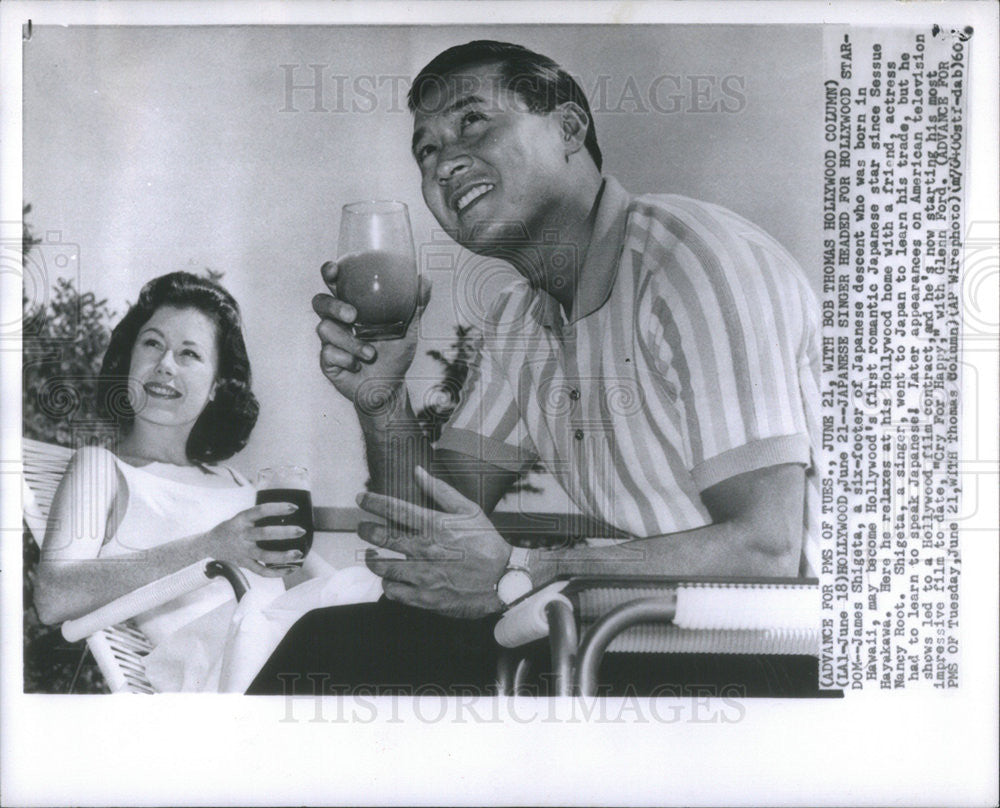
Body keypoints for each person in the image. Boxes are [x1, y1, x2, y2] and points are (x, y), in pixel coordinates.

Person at [249, 41, 820, 695]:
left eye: (473, 121)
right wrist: (381, 401)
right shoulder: (518, 319)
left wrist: (520, 569)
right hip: (620, 633)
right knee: (327, 649)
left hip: (777, 658)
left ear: (570, 129)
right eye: (427, 151)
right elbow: (428, 532)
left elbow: (765, 549)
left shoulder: (695, 263)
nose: (445, 163)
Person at [35, 272, 307, 690]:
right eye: (152, 344)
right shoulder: (102, 469)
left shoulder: (236, 482)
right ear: (128, 359)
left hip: (294, 653)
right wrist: (212, 545)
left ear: (217, 386)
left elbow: (307, 581)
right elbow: (53, 597)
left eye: (189, 354)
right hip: (226, 677)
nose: (164, 364)